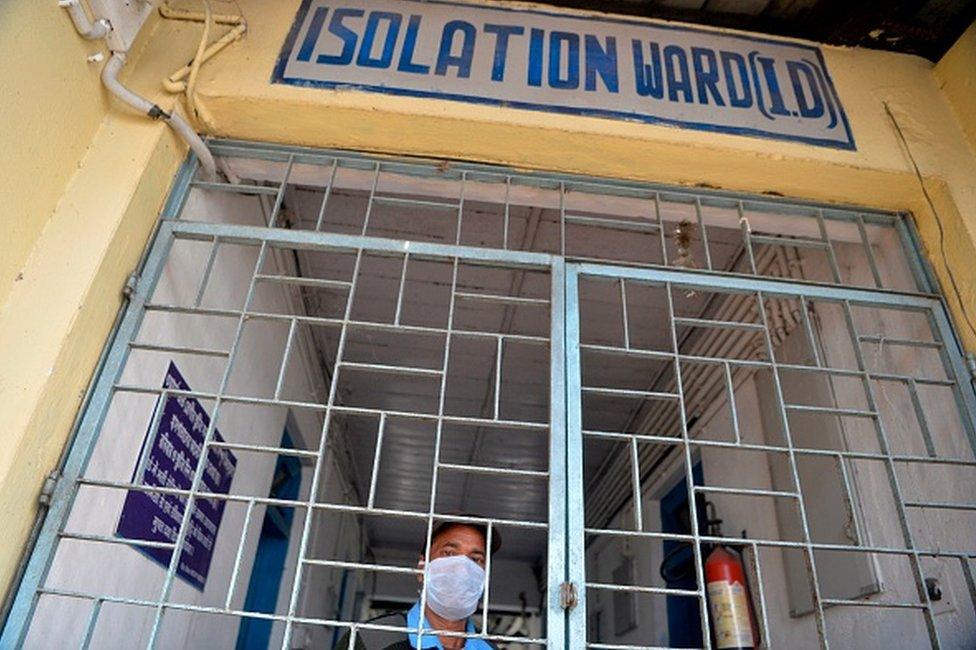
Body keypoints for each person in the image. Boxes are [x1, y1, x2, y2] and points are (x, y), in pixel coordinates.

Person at [336, 519, 501, 649]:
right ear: (422, 568)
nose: (462, 569)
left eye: (475, 559)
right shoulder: (371, 639)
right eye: (449, 553)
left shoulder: (488, 648)